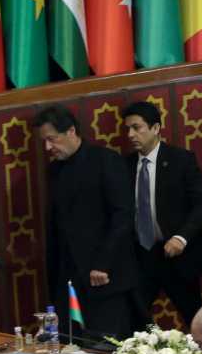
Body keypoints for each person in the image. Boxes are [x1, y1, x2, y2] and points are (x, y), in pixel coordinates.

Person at [35, 105, 139, 337]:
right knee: (69, 344)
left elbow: (123, 215)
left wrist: (103, 263)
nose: (48, 147)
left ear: (71, 131)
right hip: (69, 278)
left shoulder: (106, 160)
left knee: (105, 345)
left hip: (104, 276)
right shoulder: (54, 170)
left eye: (52, 139)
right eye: (44, 141)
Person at [122, 101, 202, 327]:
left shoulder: (181, 160)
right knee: (134, 320)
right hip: (142, 256)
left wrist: (181, 238)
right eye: (128, 129)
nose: (130, 135)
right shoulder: (124, 165)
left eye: (137, 127)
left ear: (156, 128)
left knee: (194, 319)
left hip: (177, 254)